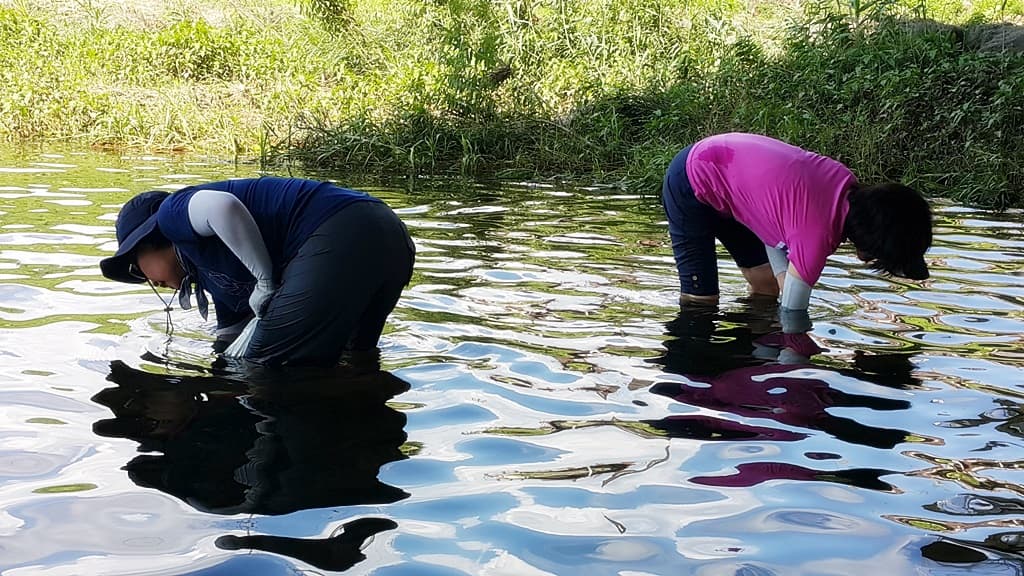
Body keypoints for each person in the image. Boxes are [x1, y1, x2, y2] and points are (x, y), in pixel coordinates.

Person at [99, 177, 415, 366]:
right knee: (354, 358)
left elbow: (222, 207)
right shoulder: (213, 274)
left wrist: (264, 280)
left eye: (136, 268)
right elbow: (231, 334)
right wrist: (219, 366)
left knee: (266, 365)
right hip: (389, 235)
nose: (148, 281)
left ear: (151, 242)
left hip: (338, 230)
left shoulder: (171, 216)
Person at [661, 132, 933, 333]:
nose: (865, 261)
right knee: (702, 304)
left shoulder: (842, 185)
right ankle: (690, 375)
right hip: (691, 178)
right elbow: (792, 319)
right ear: (867, 248)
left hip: (729, 181)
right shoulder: (814, 238)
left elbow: (773, 228)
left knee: (767, 287)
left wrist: (784, 283)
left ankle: (750, 355)